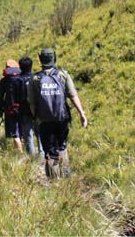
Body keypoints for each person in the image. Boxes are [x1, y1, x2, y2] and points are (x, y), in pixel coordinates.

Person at [28, 48, 88, 178]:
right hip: (62, 117)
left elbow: (32, 103)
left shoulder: (35, 79)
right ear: (54, 58)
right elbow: (73, 95)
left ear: (40, 59)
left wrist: (36, 117)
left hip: (44, 120)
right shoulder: (63, 75)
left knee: (49, 151)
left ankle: (54, 182)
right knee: (62, 145)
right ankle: (66, 175)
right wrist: (81, 113)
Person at [0, 56, 39, 155]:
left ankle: (22, 154)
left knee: (15, 133)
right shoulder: (22, 78)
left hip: (10, 110)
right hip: (24, 109)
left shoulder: (4, 81)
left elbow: (0, 98)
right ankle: (31, 153)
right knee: (26, 133)